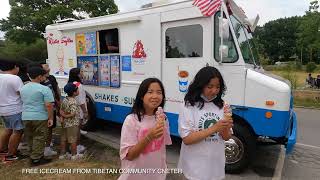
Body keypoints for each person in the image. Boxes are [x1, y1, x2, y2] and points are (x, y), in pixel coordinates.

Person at [178, 66, 233, 180]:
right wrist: (215, 128)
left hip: (216, 167)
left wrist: (226, 128)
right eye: (210, 87)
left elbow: (227, 137)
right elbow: (187, 139)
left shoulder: (222, 105)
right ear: (200, 85)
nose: (214, 91)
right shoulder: (189, 105)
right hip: (194, 169)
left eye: (218, 87)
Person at [118, 78, 172, 180]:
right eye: (150, 92)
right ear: (142, 96)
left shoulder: (163, 118)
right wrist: (149, 136)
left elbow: (161, 149)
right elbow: (129, 155)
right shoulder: (131, 120)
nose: (155, 96)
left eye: (159, 93)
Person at [20, 66, 54, 166]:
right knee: (39, 137)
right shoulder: (44, 89)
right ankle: (36, 159)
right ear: (39, 77)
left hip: (25, 116)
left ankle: (33, 155)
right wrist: (50, 118)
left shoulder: (23, 88)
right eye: (44, 76)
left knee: (30, 137)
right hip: (40, 116)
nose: (45, 77)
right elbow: (48, 105)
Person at [0, 60, 24, 161]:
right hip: (14, 109)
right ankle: (11, 154)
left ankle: (2, 150)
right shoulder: (15, 78)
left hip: (2, 108)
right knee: (18, 131)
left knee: (8, 129)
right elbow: (22, 93)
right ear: (15, 67)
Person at [40, 62, 61, 157]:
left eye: (48, 66)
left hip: (53, 104)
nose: (48, 68)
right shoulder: (39, 80)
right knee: (44, 126)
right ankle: (44, 146)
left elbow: (56, 89)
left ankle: (47, 146)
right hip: (44, 107)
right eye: (45, 67)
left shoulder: (52, 78)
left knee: (50, 127)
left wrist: (59, 100)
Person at [59, 82, 83, 160]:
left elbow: (61, 110)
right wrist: (66, 116)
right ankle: (74, 155)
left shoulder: (65, 99)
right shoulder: (74, 102)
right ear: (74, 92)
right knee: (73, 140)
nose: (78, 90)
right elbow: (73, 114)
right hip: (72, 124)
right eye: (77, 89)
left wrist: (62, 116)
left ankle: (62, 154)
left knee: (64, 138)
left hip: (65, 124)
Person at [66, 68, 88, 153]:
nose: (83, 73)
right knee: (77, 130)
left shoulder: (70, 83)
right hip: (78, 111)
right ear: (78, 75)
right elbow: (82, 101)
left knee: (72, 130)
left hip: (71, 110)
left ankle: (71, 147)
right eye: (81, 72)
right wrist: (85, 112)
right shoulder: (79, 85)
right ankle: (77, 147)